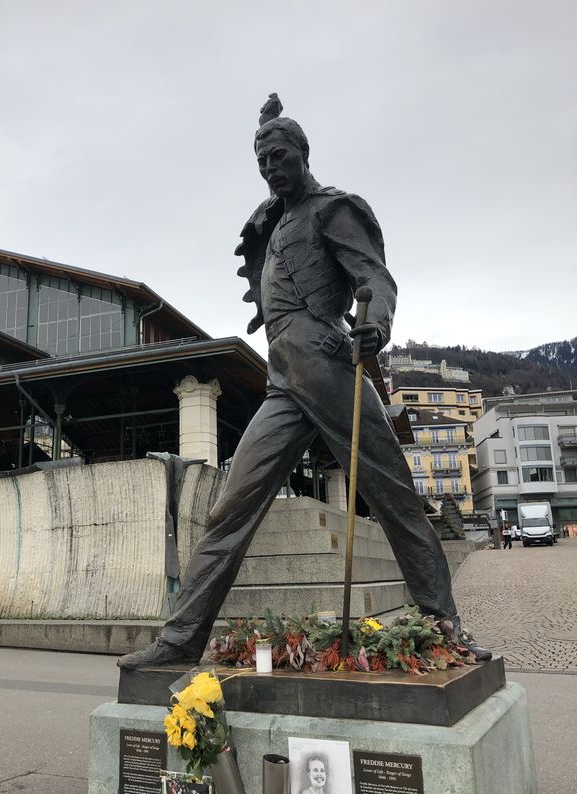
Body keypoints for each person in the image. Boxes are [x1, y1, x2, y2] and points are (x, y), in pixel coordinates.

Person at [118, 93, 491, 669]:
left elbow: (374, 276)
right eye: (262, 160)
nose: (270, 168)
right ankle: (181, 637)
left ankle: (445, 629)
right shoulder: (270, 222)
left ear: (303, 153)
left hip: (332, 368)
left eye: (279, 156)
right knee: (230, 507)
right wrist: (262, 125)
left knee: (392, 498)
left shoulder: (332, 210)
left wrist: (378, 325)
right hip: (283, 382)